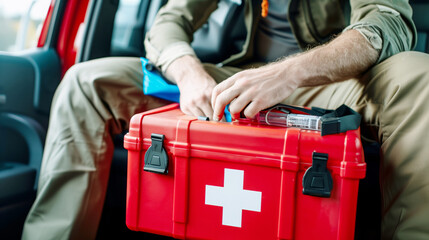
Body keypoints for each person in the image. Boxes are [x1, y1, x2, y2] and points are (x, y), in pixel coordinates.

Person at [22, 0, 429, 239]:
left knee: (419, 76)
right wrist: (187, 71)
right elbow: (169, 21)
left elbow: (385, 23)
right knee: (86, 81)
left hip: (329, 80)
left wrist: (286, 74)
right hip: (237, 77)